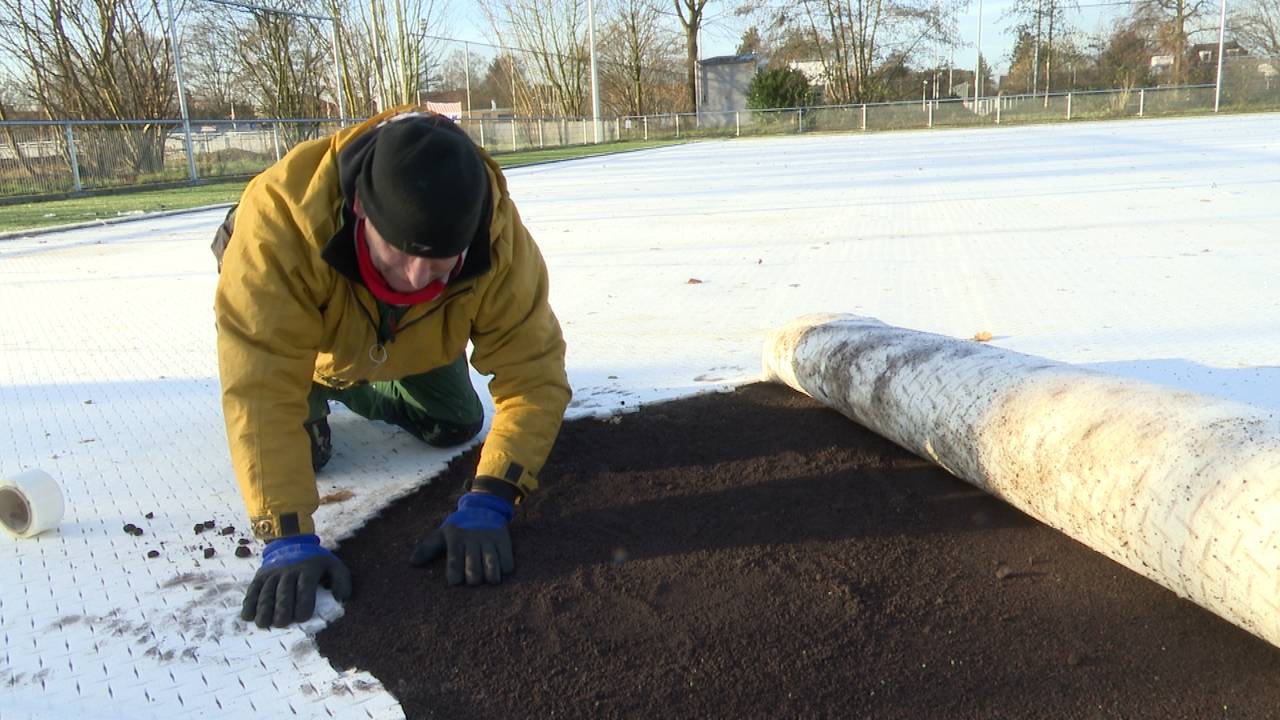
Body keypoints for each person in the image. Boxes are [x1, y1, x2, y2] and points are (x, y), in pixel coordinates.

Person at [212, 107, 570, 629]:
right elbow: (260, 385)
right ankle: (321, 384)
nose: (418, 278)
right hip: (308, 343)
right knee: (306, 452)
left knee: (455, 423)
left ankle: (357, 383)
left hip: (401, 339)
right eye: (398, 254)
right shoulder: (279, 226)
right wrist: (286, 535)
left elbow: (534, 372)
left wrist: (493, 495)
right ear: (360, 207)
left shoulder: (497, 239)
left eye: (442, 261)